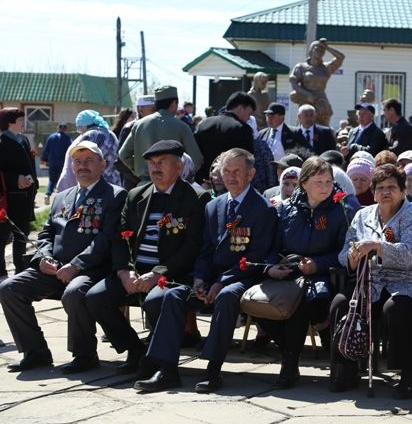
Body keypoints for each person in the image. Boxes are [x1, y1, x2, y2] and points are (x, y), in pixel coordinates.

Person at [134, 148, 279, 393]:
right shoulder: (214, 206)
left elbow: (255, 257)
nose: (231, 177)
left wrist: (221, 282)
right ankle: (166, 369)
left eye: (237, 172)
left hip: (242, 276)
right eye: (226, 171)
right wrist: (200, 278)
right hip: (210, 277)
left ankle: (213, 369)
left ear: (251, 173)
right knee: (172, 295)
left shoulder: (263, 209)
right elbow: (204, 249)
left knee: (226, 297)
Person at [85, 140, 211, 375]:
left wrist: (157, 274)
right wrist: (124, 271)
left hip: (172, 273)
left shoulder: (195, 198)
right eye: (152, 163)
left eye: (161, 162)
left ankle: (158, 359)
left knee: (156, 300)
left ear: (179, 166)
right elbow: (120, 238)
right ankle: (135, 349)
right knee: (95, 298)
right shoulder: (136, 195)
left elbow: (192, 247)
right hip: (135, 270)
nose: (155, 168)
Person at [0, 141, 127, 373]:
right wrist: (43, 258)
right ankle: (35, 351)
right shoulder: (63, 196)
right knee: (9, 288)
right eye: (77, 162)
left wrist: (76, 265)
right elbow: (46, 233)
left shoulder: (115, 196)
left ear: (103, 164)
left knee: (73, 293)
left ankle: (84, 355)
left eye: (89, 160)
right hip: (54, 268)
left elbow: (106, 239)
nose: (82, 166)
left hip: (93, 269)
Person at [333, 164, 412, 396]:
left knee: (396, 309)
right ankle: (346, 367)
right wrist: (351, 257)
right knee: (341, 303)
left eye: (392, 187)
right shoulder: (362, 215)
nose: (385, 193)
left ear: (402, 191)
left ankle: (409, 373)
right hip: (371, 280)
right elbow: (344, 251)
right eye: (380, 188)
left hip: (409, 280)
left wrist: (378, 247)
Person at [258, 157, 358, 388]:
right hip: (290, 273)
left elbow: (345, 252)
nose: (325, 187)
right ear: (303, 183)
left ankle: (289, 363)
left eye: (328, 182)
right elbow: (273, 247)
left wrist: (318, 264)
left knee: (301, 303)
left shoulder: (341, 210)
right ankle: (293, 352)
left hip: (326, 277)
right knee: (258, 302)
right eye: (318, 182)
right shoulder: (287, 209)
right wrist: (272, 267)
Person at [119, 86, 203, 184]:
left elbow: (123, 154)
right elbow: (197, 160)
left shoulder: (139, 125)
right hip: (172, 186)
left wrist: (141, 169)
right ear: (173, 104)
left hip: (144, 186)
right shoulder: (182, 126)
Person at [0, 108, 38, 276]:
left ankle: (20, 271)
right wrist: (15, 179)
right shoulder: (1, 141)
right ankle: (1, 273)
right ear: (10, 122)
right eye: (20, 120)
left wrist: (33, 184)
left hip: (25, 198)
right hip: (8, 199)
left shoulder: (23, 140)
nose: (23, 123)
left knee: (22, 236)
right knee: (2, 237)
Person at [193, 91, 256, 185]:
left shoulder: (203, 124)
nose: (248, 118)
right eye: (249, 113)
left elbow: (195, 155)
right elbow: (246, 162)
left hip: (202, 183)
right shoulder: (243, 129)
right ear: (240, 108)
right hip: (228, 184)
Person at [57, 109, 122, 190]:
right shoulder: (111, 134)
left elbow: (79, 159)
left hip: (95, 185)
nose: (79, 131)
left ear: (86, 125)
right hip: (114, 183)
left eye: (79, 127)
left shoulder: (91, 135)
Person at [289, 38, 345, 126]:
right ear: (311, 51)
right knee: (305, 125)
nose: (320, 52)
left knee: (324, 127)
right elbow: (294, 84)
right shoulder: (301, 67)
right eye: (317, 49)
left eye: (322, 50)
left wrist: (327, 47)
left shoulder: (326, 68)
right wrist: (308, 94)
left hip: (321, 101)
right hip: (306, 100)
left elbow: (341, 57)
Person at [40, 123, 72, 205]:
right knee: (63, 179)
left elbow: (46, 149)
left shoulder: (51, 137)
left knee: (52, 180)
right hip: (63, 163)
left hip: (53, 162)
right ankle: (61, 197)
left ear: (58, 128)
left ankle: (48, 194)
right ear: (65, 129)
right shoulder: (67, 138)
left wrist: (44, 159)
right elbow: (71, 150)